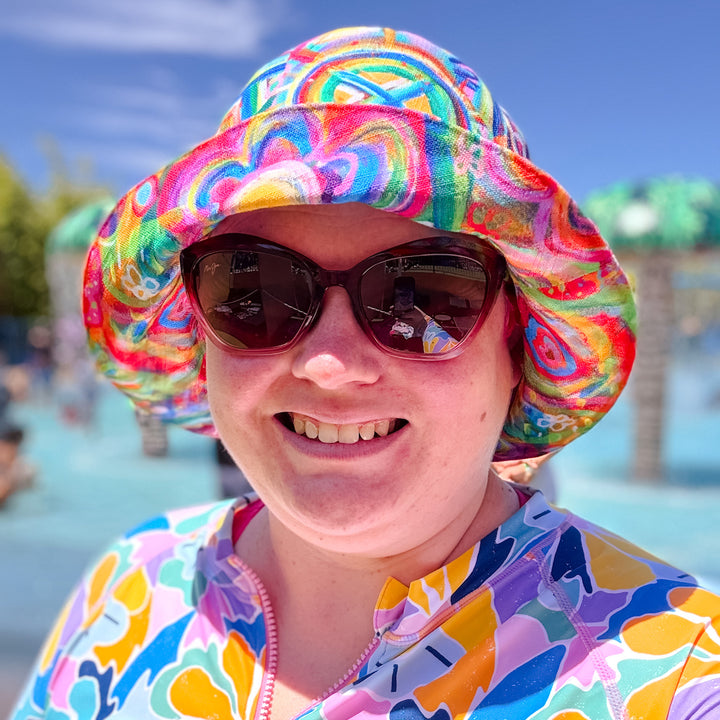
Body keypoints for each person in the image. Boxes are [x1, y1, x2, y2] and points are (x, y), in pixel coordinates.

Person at [12, 27, 720, 720]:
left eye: (427, 293)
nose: (330, 364)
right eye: (252, 289)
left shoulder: (670, 671)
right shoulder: (131, 582)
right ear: (202, 330)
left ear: (516, 343)